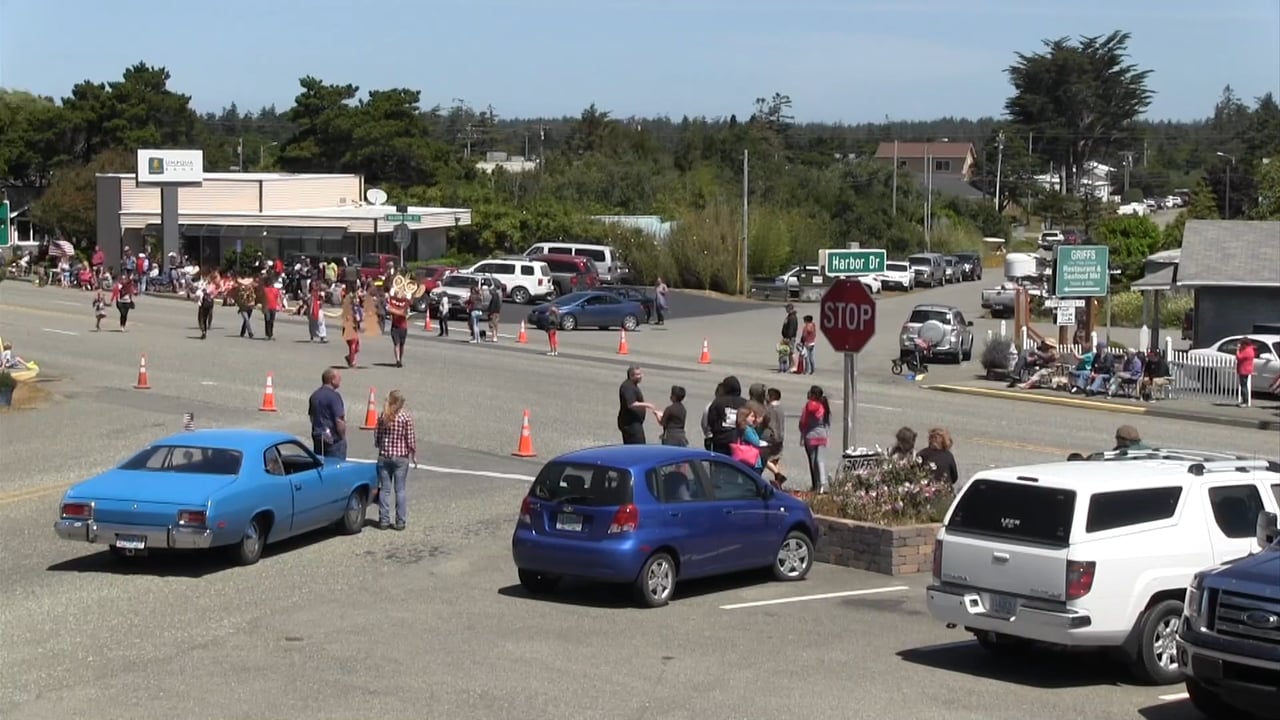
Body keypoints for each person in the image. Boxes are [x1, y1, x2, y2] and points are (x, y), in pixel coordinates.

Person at [374, 390, 416, 531]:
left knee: (385, 490)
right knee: (400, 490)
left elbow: (377, 436)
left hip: (384, 456)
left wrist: (381, 445)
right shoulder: (405, 417)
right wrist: (413, 454)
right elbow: (409, 439)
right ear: (400, 403)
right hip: (400, 457)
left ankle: (384, 520)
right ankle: (400, 521)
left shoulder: (383, 415)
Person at [308, 368, 347, 459]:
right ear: (332, 380)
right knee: (336, 467)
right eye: (338, 378)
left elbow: (312, 417)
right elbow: (339, 420)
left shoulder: (314, 395)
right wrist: (342, 437)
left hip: (318, 437)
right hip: (333, 440)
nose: (340, 380)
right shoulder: (334, 396)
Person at [799, 386, 831, 492]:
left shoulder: (810, 406)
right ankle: (822, 483)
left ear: (813, 395)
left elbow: (804, 421)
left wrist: (802, 433)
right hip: (822, 436)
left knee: (813, 462)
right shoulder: (824, 406)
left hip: (811, 436)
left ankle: (816, 485)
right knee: (820, 460)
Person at [706, 375, 746, 455]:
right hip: (739, 442)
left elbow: (711, 421)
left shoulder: (718, 402)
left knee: (720, 464)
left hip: (720, 441)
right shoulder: (745, 403)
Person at [617, 365, 656, 444]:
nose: (641, 376)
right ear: (631, 376)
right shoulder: (627, 387)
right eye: (638, 374)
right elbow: (631, 404)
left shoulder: (632, 386)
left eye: (640, 374)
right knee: (638, 446)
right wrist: (648, 405)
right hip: (630, 424)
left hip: (635, 423)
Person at [1236, 337, 1256, 408]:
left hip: (1244, 370)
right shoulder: (1249, 349)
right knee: (1243, 385)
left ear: (1245, 344)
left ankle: (1245, 401)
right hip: (1245, 369)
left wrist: (1238, 350)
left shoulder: (1248, 351)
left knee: (1244, 386)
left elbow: (1239, 357)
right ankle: (1244, 400)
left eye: (1241, 343)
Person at [388, 297, 409, 367]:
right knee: (396, 344)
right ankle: (398, 360)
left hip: (403, 327)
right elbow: (389, 309)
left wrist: (396, 311)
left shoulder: (405, 301)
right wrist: (398, 311)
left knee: (402, 345)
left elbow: (405, 312)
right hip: (395, 327)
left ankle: (400, 359)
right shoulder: (393, 300)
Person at [781, 304, 799, 372]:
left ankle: (795, 365)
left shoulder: (792, 317)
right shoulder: (789, 316)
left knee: (791, 352)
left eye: (786, 308)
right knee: (789, 352)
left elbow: (791, 329)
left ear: (789, 308)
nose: (786, 309)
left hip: (790, 338)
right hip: (788, 337)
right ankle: (790, 365)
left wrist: (788, 337)